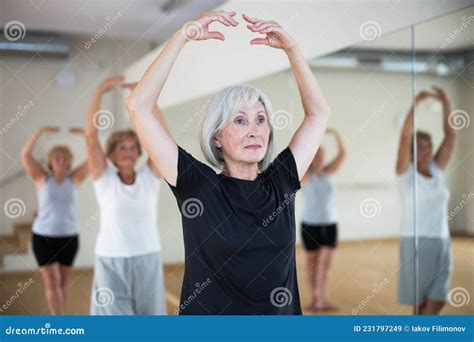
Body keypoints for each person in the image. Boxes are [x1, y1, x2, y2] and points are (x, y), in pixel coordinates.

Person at [125, 11, 331, 314]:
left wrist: (292, 50)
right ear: (216, 137)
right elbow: (138, 106)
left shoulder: (281, 181)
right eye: (240, 120)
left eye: (261, 120)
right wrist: (181, 36)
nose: (254, 130)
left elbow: (319, 114)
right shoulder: (197, 185)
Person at [85, 77, 166, 315]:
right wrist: (99, 91)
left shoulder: (149, 178)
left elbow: (162, 137)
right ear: (110, 153)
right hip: (110, 260)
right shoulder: (104, 178)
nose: (127, 151)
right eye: (121, 147)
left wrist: (148, 100)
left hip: (148, 257)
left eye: (132, 147)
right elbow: (90, 137)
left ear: (139, 153)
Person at [396, 86, 455, 315]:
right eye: (420, 146)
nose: (426, 150)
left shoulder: (437, 169)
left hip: (442, 240)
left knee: (439, 297)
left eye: (428, 145)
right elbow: (404, 134)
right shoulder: (404, 174)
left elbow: (451, 135)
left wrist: (445, 102)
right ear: (410, 151)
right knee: (420, 304)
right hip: (416, 241)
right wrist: (417, 102)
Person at [21, 126, 89, 315]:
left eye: (65, 157)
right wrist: (39, 132)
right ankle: (58, 325)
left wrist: (85, 135)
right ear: (50, 162)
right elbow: (25, 155)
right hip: (43, 238)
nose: (61, 160)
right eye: (57, 157)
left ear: (70, 162)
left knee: (62, 284)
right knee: (51, 281)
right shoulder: (41, 178)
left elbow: (96, 158)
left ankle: (60, 320)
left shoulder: (75, 179)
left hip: (69, 238)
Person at [300, 128, 346, 311]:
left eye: (322, 156)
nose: (319, 159)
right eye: (315, 156)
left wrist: (336, 135)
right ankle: (316, 298)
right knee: (312, 264)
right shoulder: (305, 176)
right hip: (309, 225)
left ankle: (321, 298)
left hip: (330, 224)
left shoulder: (329, 172)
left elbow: (343, 153)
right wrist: (312, 137)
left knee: (325, 265)